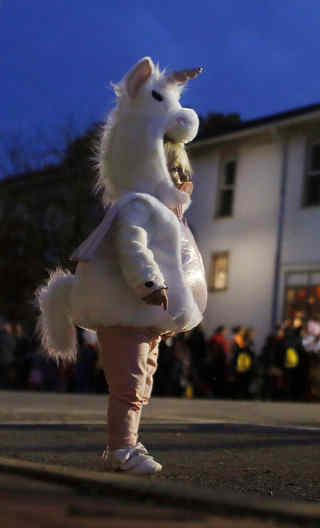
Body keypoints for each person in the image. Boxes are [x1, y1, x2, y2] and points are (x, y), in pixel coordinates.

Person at [34, 58, 206, 475]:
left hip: (148, 317)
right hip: (128, 311)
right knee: (129, 385)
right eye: (180, 174)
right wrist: (148, 283)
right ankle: (121, 448)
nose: (187, 184)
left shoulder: (167, 213)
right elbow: (133, 247)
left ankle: (126, 443)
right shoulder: (137, 204)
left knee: (141, 383)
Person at [0, 317, 16, 389]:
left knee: (4, 378)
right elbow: (14, 346)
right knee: (5, 379)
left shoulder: (5, 336)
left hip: (5, 360)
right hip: (8, 360)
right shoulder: (9, 336)